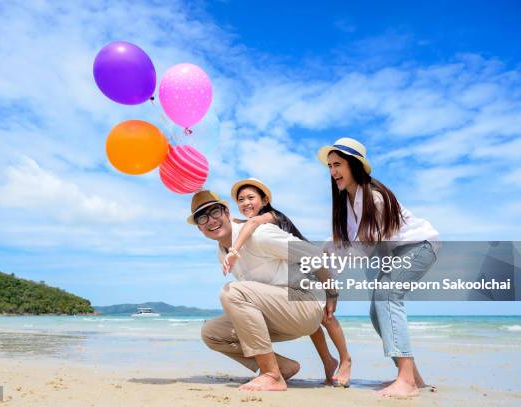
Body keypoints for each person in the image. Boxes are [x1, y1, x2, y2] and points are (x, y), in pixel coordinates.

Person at [317, 137, 439, 397]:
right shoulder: (348, 202)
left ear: (354, 165)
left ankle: (406, 380)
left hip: (420, 245)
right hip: (393, 252)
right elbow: (348, 244)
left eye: (337, 164)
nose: (333, 172)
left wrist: (332, 284)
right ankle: (413, 378)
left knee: (387, 296)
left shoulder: (374, 198)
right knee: (377, 310)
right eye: (329, 166)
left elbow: (361, 250)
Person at [188, 190, 337, 391]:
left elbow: (314, 254)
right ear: (199, 228)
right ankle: (282, 367)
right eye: (202, 218)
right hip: (279, 312)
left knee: (232, 292)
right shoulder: (221, 253)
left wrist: (332, 293)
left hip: (303, 304)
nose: (210, 221)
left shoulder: (260, 235)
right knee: (211, 333)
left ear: (226, 212)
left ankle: (271, 375)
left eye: (214, 212)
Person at [222, 178, 352, 386]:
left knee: (326, 317)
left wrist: (235, 249)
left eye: (250, 198)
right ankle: (328, 362)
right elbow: (242, 224)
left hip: (309, 269)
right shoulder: (253, 222)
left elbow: (252, 224)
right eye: (241, 199)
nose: (245, 203)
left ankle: (345, 360)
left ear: (264, 200)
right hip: (291, 274)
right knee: (314, 323)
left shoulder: (269, 216)